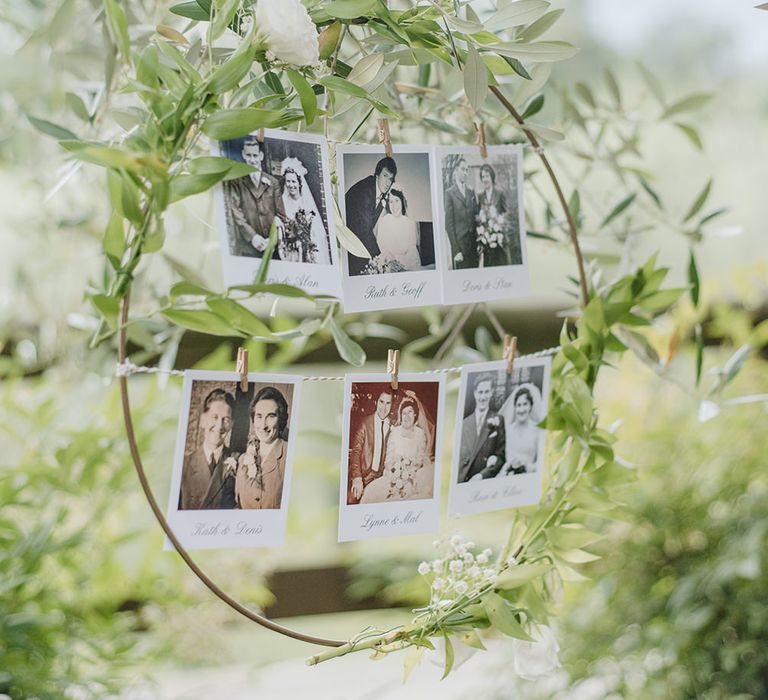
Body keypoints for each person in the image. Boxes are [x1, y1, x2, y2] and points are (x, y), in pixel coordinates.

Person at [360, 395, 433, 503]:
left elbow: (419, 458)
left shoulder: (420, 434)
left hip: (414, 475)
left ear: (415, 414)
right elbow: (388, 459)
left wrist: (409, 472)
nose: (407, 416)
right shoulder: (395, 432)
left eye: (410, 412)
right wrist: (395, 472)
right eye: (404, 413)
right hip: (393, 475)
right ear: (401, 416)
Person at [223, 137, 285, 258]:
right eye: (249, 155)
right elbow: (235, 212)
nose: (252, 160)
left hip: (272, 250)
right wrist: (253, 237)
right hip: (249, 250)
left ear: (261, 156)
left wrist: (274, 238)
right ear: (243, 155)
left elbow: (281, 215)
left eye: (255, 156)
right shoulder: (236, 181)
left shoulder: (272, 182)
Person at [180, 388, 237, 510]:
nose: (219, 426)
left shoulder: (238, 462)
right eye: (214, 417)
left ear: (232, 424)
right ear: (203, 420)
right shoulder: (183, 465)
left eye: (226, 419)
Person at [235, 386, 290, 509]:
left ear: (280, 419)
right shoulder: (243, 459)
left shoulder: (290, 455)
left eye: (271, 416)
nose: (263, 425)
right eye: (259, 416)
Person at [344, 156, 397, 275]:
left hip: (356, 241)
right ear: (377, 174)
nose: (388, 183)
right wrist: (382, 259)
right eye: (385, 176)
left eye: (391, 179)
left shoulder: (378, 191)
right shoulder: (365, 191)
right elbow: (364, 231)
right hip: (347, 241)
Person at [279, 157, 331, 265]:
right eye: (288, 181)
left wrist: (310, 244)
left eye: (293, 181)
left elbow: (318, 231)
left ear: (299, 183)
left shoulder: (306, 203)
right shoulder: (283, 202)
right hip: (292, 252)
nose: (291, 185)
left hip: (307, 250)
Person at [458, 373, 507, 483]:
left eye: (486, 392)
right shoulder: (464, 423)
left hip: (483, 480)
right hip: (463, 480)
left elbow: (500, 456)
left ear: (491, 393)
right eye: (480, 392)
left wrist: (482, 475)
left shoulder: (498, 420)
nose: (483, 397)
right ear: (475, 394)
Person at [348, 389, 392, 504]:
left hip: (381, 478)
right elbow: (356, 451)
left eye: (388, 403)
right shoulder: (365, 423)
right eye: (381, 402)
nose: (384, 407)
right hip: (363, 476)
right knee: (350, 501)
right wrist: (357, 478)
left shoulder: (392, 425)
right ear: (376, 402)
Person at [444, 156, 478, 269]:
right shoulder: (449, 193)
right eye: (463, 169)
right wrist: (456, 250)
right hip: (461, 249)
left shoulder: (471, 192)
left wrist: (480, 242)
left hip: (474, 247)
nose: (465, 173)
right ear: (456, 170)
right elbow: (449, 224)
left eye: (467, 170)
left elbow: (476, 218)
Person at [374, 188, 421, 271]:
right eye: (391, 202)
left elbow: (412, 248)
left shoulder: (409, 223)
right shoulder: (383, 221)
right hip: (388, 262)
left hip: (407, 262)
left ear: (402, 202)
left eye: (397, 200)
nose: (394, 205)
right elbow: (382, 246)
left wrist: (403, 264)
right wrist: (391, 261)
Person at [476, 163, 512, 267]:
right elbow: (479, 217)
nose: (485, 179)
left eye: (487, 176)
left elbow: (507, 213)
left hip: (500, 240)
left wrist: (498, 224)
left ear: (491, 177)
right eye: (483, 177)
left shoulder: (500, 193)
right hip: (487, 242)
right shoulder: (480, 196)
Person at [500, 385, 542, 475]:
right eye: (518, 405)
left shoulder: (537, 430)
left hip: (529, 475)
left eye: (525, 404)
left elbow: (542, 460)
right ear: (514, 407)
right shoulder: (508, 430)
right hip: (508, 475)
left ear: (530, 406)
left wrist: (529, 467)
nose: (521, 409)